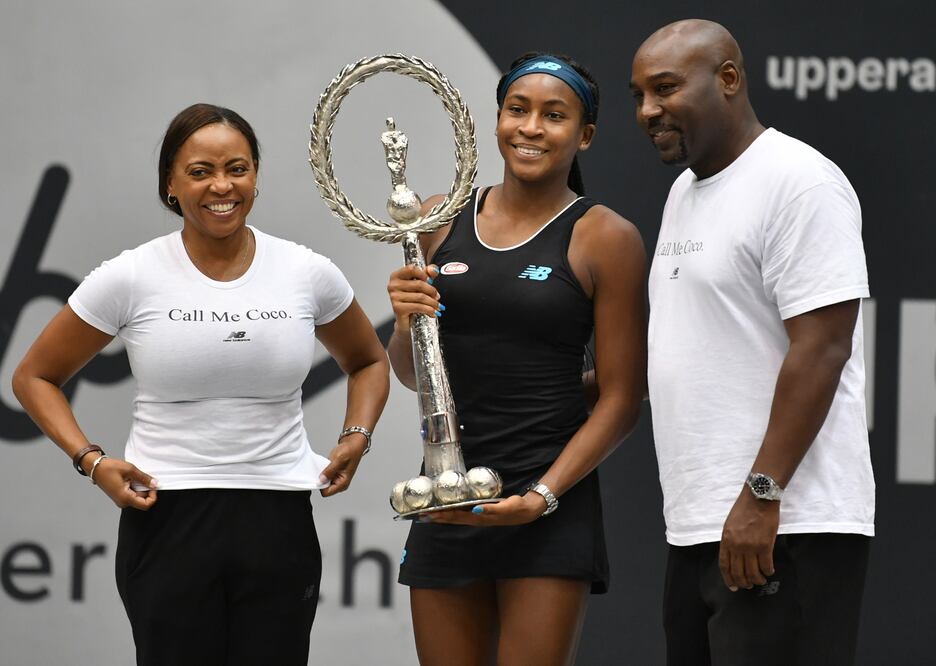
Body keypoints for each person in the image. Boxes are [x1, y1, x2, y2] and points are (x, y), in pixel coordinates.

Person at [11, 103, 390, 666]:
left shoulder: (305, 272)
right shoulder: (131, 275)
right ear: (170, 183)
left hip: (278, 517)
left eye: (237, 169)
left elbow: (368, 361)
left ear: (256, 176)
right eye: (200, 171)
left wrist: (357, 435)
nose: (221, 186)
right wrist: (90, 460)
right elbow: (34, 376)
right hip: (166, 518)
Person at [386, 53, 647, 666]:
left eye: (554, 116)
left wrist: (544, 495)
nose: (531, 127)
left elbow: (621, 398)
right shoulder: (438, 218)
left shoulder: (605, 236)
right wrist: (405, 325)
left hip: (546, 506)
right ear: (497, 119)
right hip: (448, 499)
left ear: (583, 135)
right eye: (518, 110)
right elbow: (412, 372)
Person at [630, 19, 875, 666]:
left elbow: (823, 348)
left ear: (729, 79)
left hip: (785, 525)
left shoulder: (800, 182)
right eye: (639, 96)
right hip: (699, 526)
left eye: (665, 88)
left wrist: (761, 496)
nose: (648, 110)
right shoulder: (685, 191)